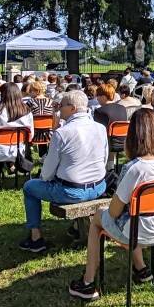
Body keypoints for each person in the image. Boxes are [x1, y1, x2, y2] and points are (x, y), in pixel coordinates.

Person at [68, 109, 154, 300]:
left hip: (140, 232)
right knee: (135, 216)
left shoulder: (135, 168)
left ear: (133, 135)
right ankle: (141, 269)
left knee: (99, 218)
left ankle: (88, 282)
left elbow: (114, 213)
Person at [20, 90, 108, 253]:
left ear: (73, 108)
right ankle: (76, 226)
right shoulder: (100, 128)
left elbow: (47, 173)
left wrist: (49, 178)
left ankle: (35, 237)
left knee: (29, 187)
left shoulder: (62, 133)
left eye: (61, 106)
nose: (59, 109)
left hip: (71, 191)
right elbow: (104, 159)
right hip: (98, 187)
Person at [0, 82, 34, 189]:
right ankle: (11, 166)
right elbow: (30, 134)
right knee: (0, 149)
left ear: (3, 94)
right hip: (20, 150)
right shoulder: (27, 111)